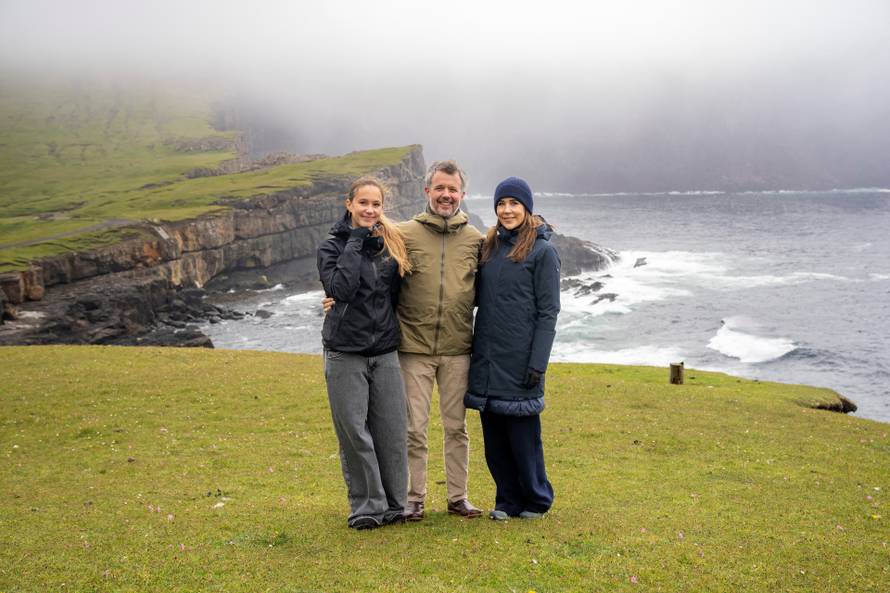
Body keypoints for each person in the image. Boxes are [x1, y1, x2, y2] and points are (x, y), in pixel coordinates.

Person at [322, 160, 484, 520]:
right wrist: (335, 298)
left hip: (459, 348)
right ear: (427, 191)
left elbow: (494, 284)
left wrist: (534, 227)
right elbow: (367, 270)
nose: (446, 195)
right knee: (413, 429)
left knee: (457, 428)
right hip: (411, 347)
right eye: (439, 188)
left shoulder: (476, 239)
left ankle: (458, 497)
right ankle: (413, 499)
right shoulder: (402, 234)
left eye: (452, 189)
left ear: (462, 194)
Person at [317, 176, 413, 530]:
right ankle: (367, 507)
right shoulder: (330, 246)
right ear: (349, 204)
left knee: (391, 429)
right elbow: (340, 289)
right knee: (354, 432)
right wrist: (356, 240)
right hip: (345, 351)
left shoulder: (391, 244)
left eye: (376, 204)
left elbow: (397, 294)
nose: (370, 210)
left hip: (385, 350)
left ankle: (394, 505)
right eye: (363, 203)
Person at [464, 176, 560, 520]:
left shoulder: (543, 252)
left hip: (521, 362)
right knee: (495, 442)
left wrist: (538, 363)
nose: (506, 210)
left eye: (513, 204)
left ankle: (536, 500)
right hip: (488, 359)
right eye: (501, 204)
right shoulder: (489, 248)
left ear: (527, 209)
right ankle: (507, 500)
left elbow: (549, 312)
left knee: (524, 440)